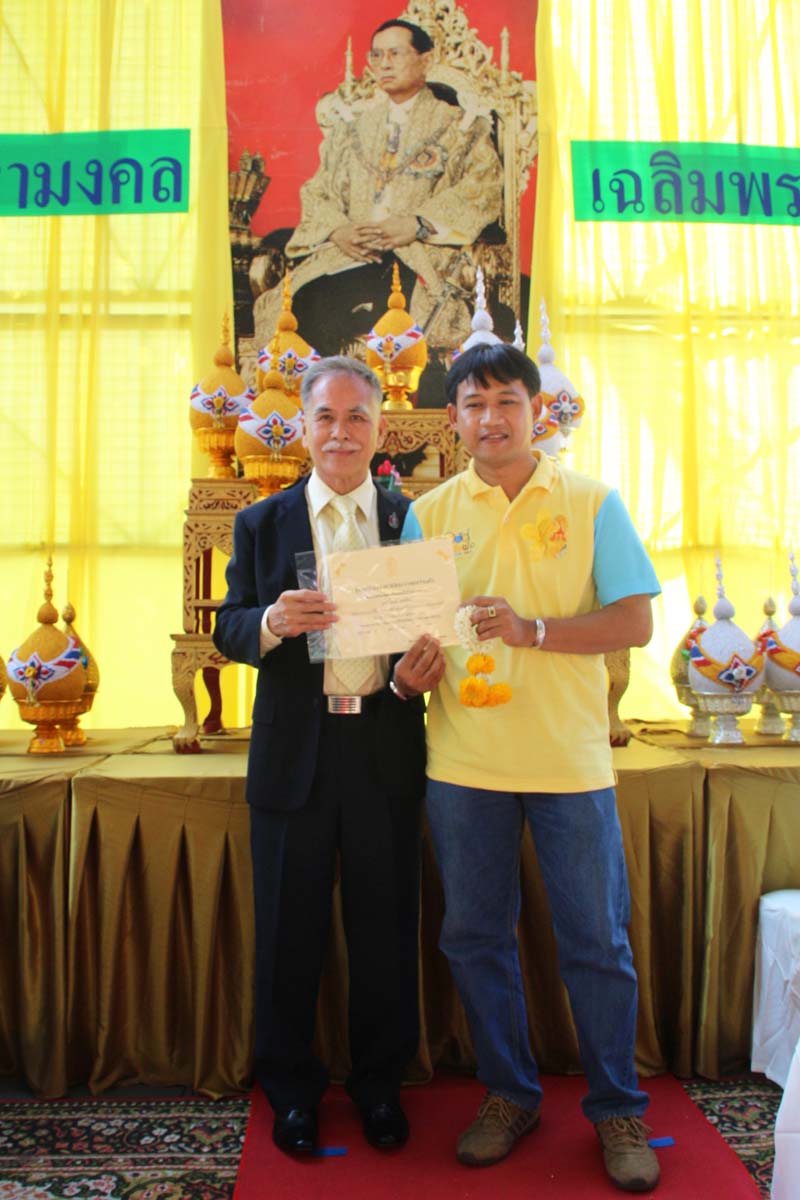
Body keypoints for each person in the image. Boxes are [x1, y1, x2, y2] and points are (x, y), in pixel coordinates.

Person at [401, 343, 662, 1193]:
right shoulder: (427, 514)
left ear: (536, 410)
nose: (492, 419)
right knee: (474, 937)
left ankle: (617, 1107)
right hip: (464, 762)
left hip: (569, 761)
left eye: (507, 401)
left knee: (597, 943)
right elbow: (409, 638)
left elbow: (634, 622)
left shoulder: (592, 503)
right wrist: (409, 672)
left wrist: (533, 630)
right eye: (474, 405)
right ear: (453, 420)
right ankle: (509, 1095)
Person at [213, 355, 445, 1156]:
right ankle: (292, 1093)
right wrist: (271, 622)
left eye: (357, 418)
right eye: (326, 417)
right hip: (294, 760)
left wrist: (415, 677)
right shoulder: (261, 522)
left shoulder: (409, 519)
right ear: (303, 427)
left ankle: (380, 1087)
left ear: (379, 429)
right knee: (289, 934)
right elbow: (228, 625)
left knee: (385, 930)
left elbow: (434, 625)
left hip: (384, 748)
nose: (341, 433)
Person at [252, 18, 503, 357]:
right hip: (350, 253)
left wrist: (417, 224)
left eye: (395, 54)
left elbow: (482, 187)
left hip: (418, 254)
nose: (384, 64)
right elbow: (318, 192)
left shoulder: (459, 126)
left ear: (426, 59)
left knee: (367, 310)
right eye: (376, 55)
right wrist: (338, 230)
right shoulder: (353, 129)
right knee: (298, 307)